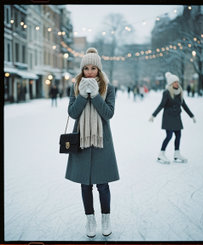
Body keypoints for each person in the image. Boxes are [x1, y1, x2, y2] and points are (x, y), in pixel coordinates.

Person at [65, 47, 119, 238]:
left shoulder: (108, 88)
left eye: (93, 68)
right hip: (81, 140)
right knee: (85, 184)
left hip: (101, 141)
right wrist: (82, 95)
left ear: (99, 69)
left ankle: (106, 218)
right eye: (86, 68)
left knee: (102, 184)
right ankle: (90, 219)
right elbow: (72, 113)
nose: (89, 72)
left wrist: (95, 95)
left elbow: (108, 114)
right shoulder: (76, 86)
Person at [149, 72, 196, 164]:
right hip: (168, 117)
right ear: (171, 83)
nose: (177, 83)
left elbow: (184, 105)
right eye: (175, 82)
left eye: (177, 82)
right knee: (169, 136)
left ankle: (177, 153)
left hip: (177, 117)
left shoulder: (180, 92)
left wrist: (192, 115)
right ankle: (161, 154)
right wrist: (153, 115)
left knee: (178, 135)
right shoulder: (166, 93)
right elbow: (161, 105)